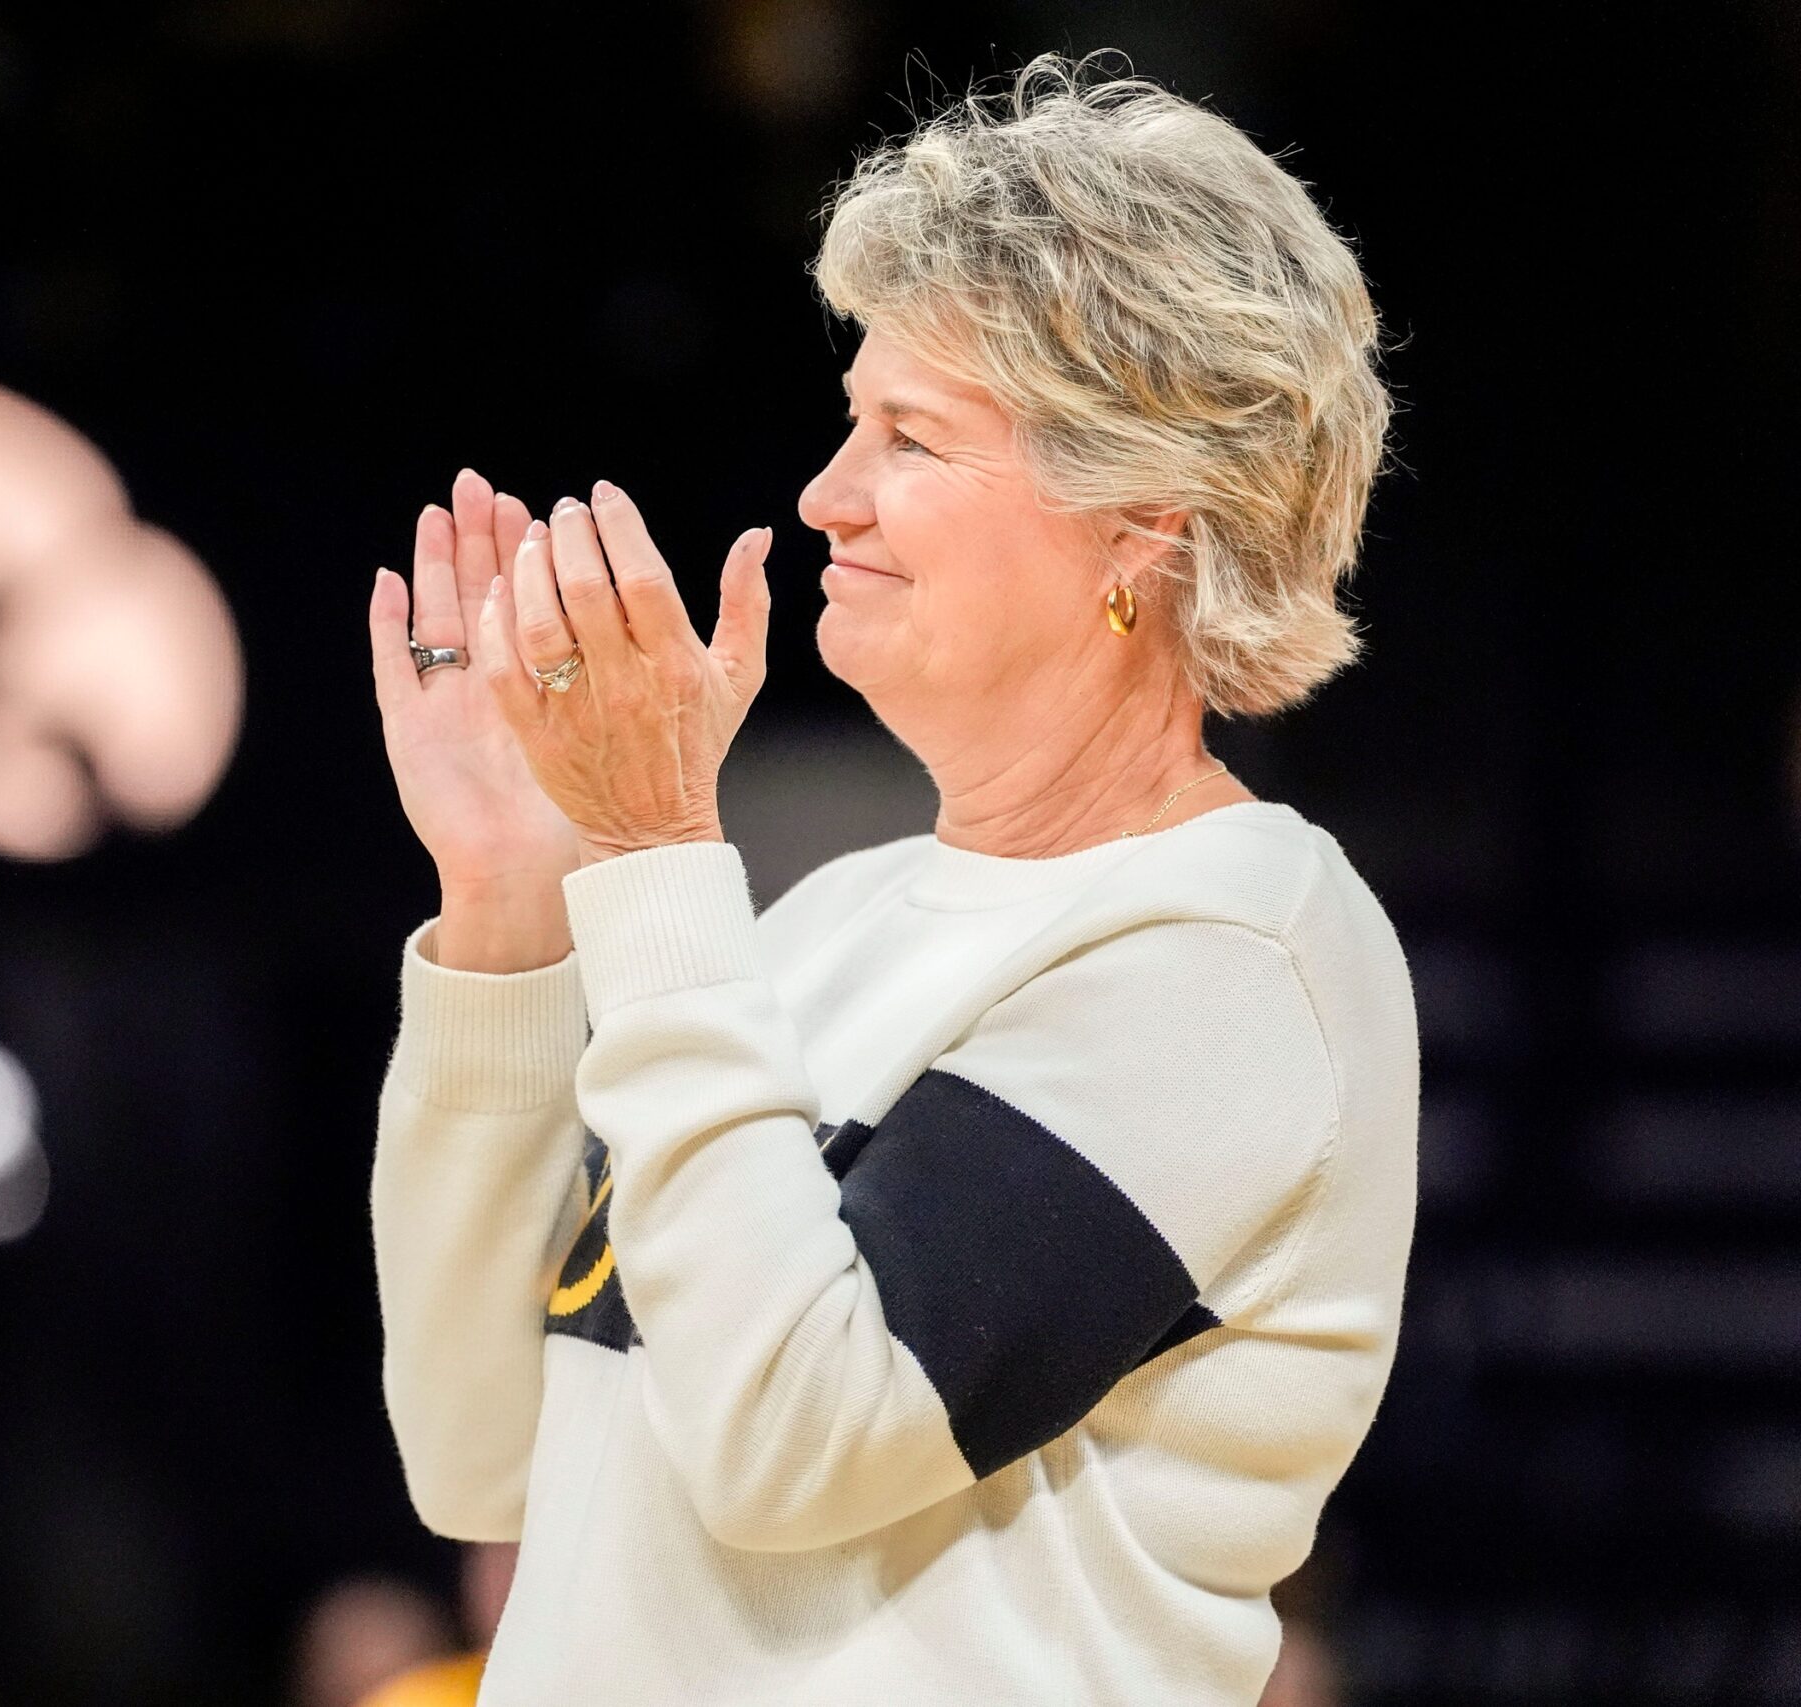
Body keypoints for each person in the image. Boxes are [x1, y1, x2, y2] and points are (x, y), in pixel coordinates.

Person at [363, 51, 1412, 1706]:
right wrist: (509, 906)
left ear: (1140, 522)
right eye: (853, 424)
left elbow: (801, 1440)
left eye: (911, 437)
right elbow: (486, 1456)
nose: (826, 496)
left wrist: (650, 852)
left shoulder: (1236, 956)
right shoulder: (825, 922)